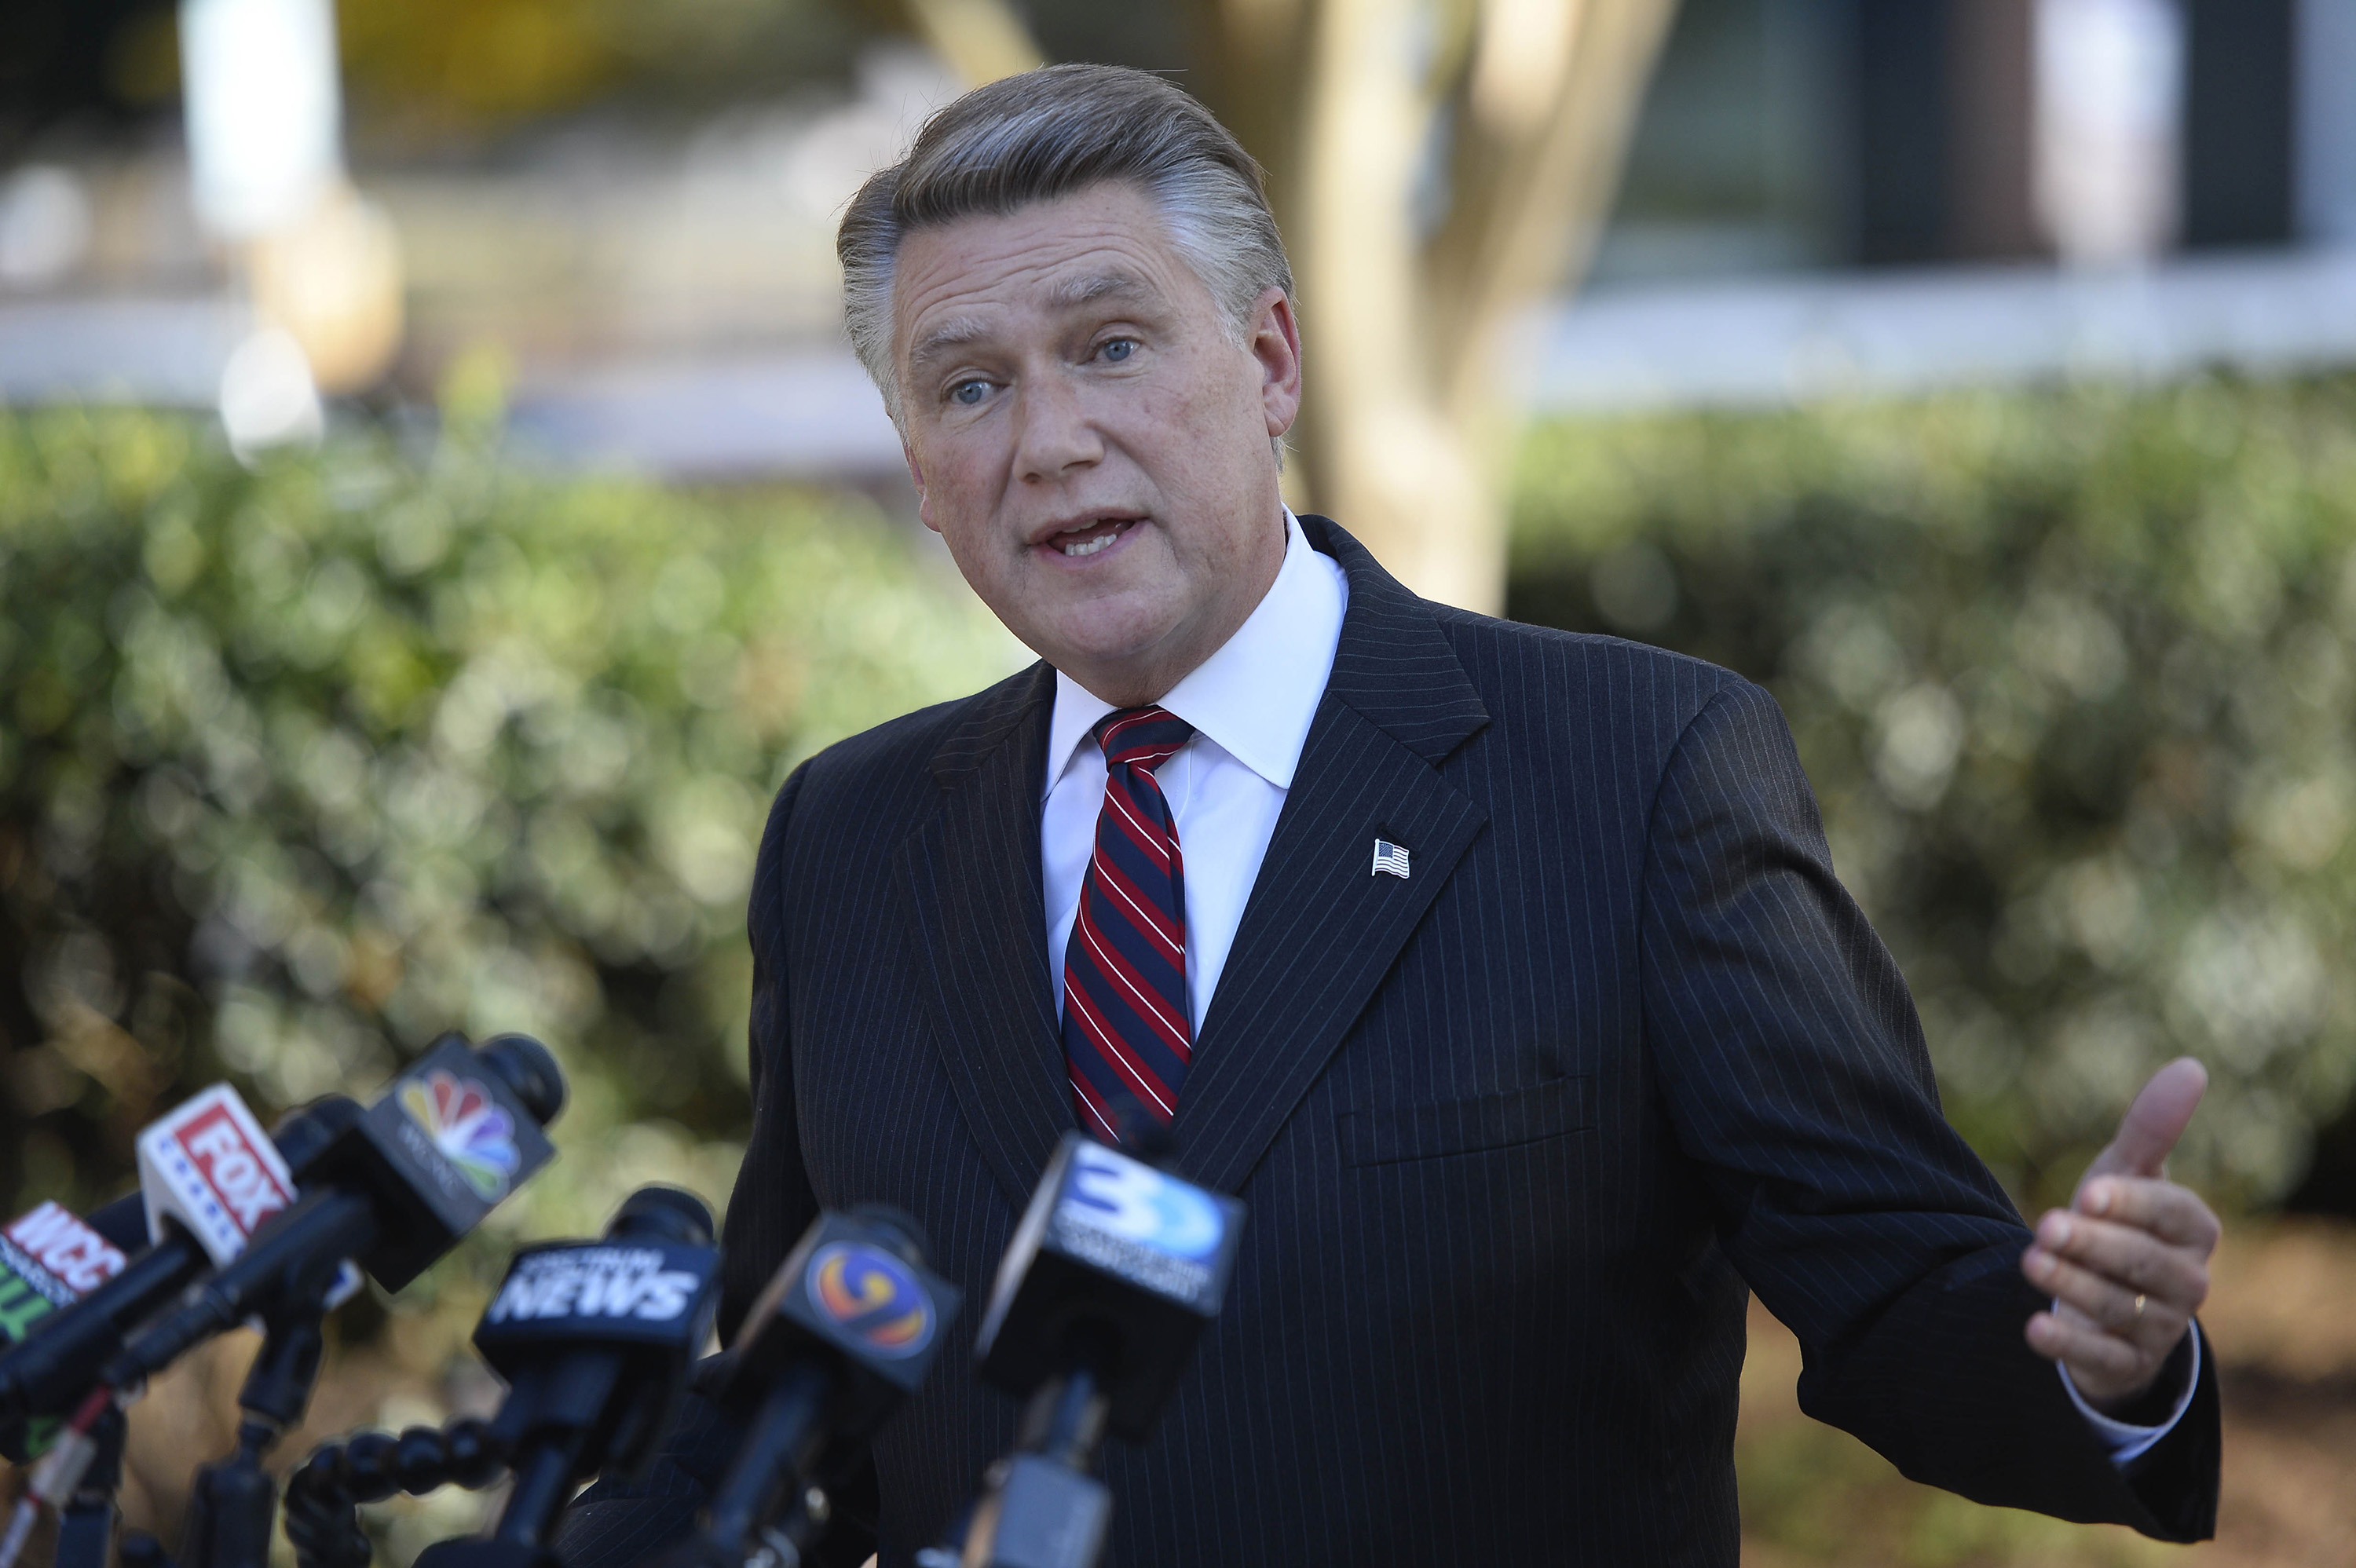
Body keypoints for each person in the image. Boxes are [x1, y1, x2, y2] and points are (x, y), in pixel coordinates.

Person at [563, 64, 2221, 1567]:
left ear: (1271, 360)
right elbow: (796, 1408)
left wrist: (2105, 1356)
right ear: (918, 466)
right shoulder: (848, 839)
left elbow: (1900, 1292)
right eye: (970, 386)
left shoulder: (1636, 770)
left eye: (1113, 346)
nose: (1051, 439)